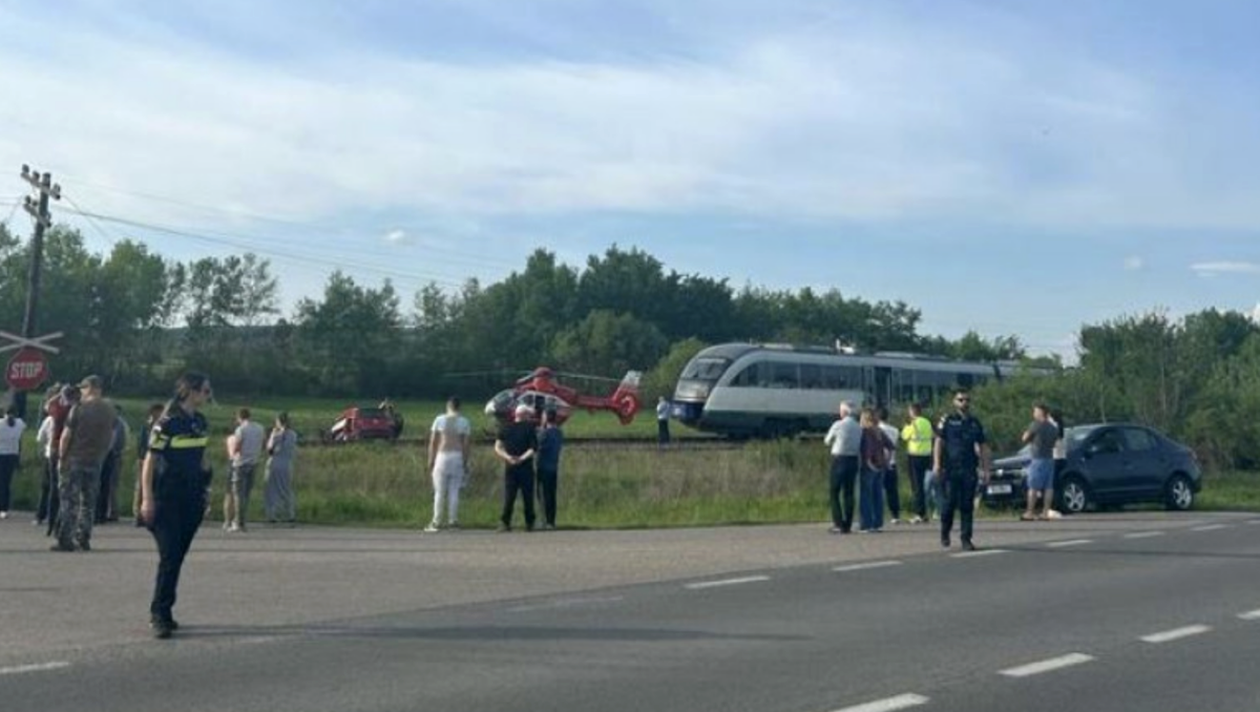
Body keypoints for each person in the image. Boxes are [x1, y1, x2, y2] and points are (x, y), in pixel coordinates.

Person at [139, 372, 213, 639]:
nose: (208, 396)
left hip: (192, 497)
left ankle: (166, 610)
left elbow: (202, 458)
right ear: (190, 391)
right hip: (166, 497)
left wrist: (207, 488)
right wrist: (147, 498)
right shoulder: (167, 423)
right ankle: (159, 613)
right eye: (205, 391)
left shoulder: (200, 422)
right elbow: (150, 460)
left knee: (177, 557)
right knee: (169, 555)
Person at [53, 375, 116, 552]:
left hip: (75, 459)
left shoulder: (79, 408)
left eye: (82, 388)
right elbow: (111, 437)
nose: (80, 391)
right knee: (88, 502)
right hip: (96, 460)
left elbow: (66, 436)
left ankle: (66, 539)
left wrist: (61, 457)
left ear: (90, 388)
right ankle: (84, 537)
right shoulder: (110, 410)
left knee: (69, 500)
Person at [934, 389, 991, 551]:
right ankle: (945, 531)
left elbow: (983, 446)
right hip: (950, 468)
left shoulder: (974, 422)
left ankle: (966, 538)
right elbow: (939, 442)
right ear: (954, 402)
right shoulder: (948, 420)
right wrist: (937, 463)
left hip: (969, 468)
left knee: (967, 505)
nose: (964, 403)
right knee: (949, 504)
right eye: (960, 400)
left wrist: (986, 469)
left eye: (966, 400)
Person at [424, 397, 470, 532]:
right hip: (457, 456)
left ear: (448, 406)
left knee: (439, 491)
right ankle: (453, 521)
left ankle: (436, 522)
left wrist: (430, 459)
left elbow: (433, 442)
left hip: (442, 455)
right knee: (454, 491)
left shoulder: (439, 420)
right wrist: (465, 462)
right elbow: (466, 445)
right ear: (459, 407)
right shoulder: (464, 422)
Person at [42, 384, 79, 536]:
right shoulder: (75, 411)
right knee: (67, 490)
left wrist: (58, 394)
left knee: (54, 488)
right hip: (71, 451)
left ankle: (50, 524)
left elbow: (47, 405)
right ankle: (60, 524)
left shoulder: (57, 409)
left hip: (54, 449)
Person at [494, 403, 538, 532]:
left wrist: (508, 457)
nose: (529, 417)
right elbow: (533, 448)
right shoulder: (530, 428)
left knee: (509, 496)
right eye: (528, 415)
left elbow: (497, 447)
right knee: (528, 496)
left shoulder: (505, 427)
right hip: (525, 466)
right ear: (523, 415)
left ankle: (505, 522)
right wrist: (522, 458)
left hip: (510, 466)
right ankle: (529, 522)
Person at [822, 401, 862, 534]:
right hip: (853, 459)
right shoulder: (859, 427)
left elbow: (827, 441)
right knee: (849, 492)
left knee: (834, 491)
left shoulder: (838, 425)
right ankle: (848, 524)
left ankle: (838, 522)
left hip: (839, 459)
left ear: (844, 412)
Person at [224, 408, 265, 533]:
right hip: (253, 463)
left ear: (239, 417)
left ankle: (237, 522)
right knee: (246, 494)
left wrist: (234, 453)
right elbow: (263, 444)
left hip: (240, 463)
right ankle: (243, 521)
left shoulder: (241, 429)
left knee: (237, 494)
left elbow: (237, 446)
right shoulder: (260, 428)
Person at [1021, 403, 1060, 521]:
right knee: (1048, 487)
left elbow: (1024, 438)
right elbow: (1055, 443)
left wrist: (1029, 437)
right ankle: (1045, 512)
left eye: (1035, 411)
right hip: (1049, 458)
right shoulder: (1053, 428)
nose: (1033, 413)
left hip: (1037, 459)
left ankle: (1030, 512)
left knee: (1033, 487)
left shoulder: (1035, 425)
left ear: (1040, 412)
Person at [859, 408, 893, 533]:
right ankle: (877, 523)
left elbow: (867, 451)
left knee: (866, 496)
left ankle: (866, 524)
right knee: (877, 495)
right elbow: (891, 447)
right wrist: (887, 461)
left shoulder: (866, 432)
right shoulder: (879, 431)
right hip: (880, 466)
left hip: (869, 467)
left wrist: (869, 464)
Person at [901, 402, 935, 524]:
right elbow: (932, 436)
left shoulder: (913, 423)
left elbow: (904, 436)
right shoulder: (927, 422)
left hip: (915, 456)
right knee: (923, 486)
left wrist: (906, 425)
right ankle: (924, 512)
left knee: (917, 486)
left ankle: (919, 513)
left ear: (912, 412)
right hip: (927, 455)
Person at [263, 412, 299, 525]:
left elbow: (270, 450)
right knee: (286, 489)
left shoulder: (276, 434)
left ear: (278, 422)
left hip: (274, 463)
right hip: (287, 464)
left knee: (271, 490)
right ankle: (290, 514)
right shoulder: (293, 434)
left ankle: (272, 514)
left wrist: (271, 436)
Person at [96, 404, 129, 524]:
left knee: (112, 484)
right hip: (104, 456)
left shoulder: (120, 424)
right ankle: (103, 511)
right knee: (103, 484)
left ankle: (112, 511)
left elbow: (119, 441)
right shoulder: (106, 423)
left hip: (114, 456)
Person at [134, 403, 165, 526]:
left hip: (159, 461)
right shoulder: (147, 428)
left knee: (156, 487)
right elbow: (142, 443)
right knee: (141, 488)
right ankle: (139, 515)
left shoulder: (163, 428)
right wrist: (141, 457)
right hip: (144, 460)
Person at [536, 408, 565, 530]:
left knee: (542, 495)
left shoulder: (544, 433)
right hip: (553, 467)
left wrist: (539, 430)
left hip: (543, 466)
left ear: (546, 418)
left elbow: (537, 445)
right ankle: (551, 521)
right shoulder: (559, 432)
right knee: (551, 495)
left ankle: (544, 521)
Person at [0, 406, 27, 519]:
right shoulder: (17, 424)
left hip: (6, 455)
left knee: (3, 482)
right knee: (4, 483)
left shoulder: (5, 423)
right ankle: (3, 507)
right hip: (7, 455)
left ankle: (3, 507)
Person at [877, 406, 902, 524]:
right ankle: (895, 515)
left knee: (877, 490)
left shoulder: (876, 430)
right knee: (892, 491)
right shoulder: (895, 430)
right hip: (892, 462)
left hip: (879, 463)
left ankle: (878, 513)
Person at [34, 410, 53, 526]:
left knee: (46, 486)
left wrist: (42, 449)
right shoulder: (71, 417)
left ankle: (40, 515)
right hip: (67, 457)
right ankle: (54, 516)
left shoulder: (49, 420)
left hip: (50, 454)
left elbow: (40, 438)